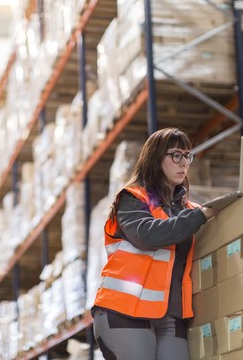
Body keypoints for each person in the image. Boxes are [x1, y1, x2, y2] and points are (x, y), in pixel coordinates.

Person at [92, 127, 216, 360]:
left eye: (187, 156)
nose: (184, 163)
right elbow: (147, 235)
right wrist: (200, 217)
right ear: (155, 158)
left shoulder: (191, 211)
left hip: (170, 318)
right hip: (125, 312)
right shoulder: (132, 199)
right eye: (176, 155)